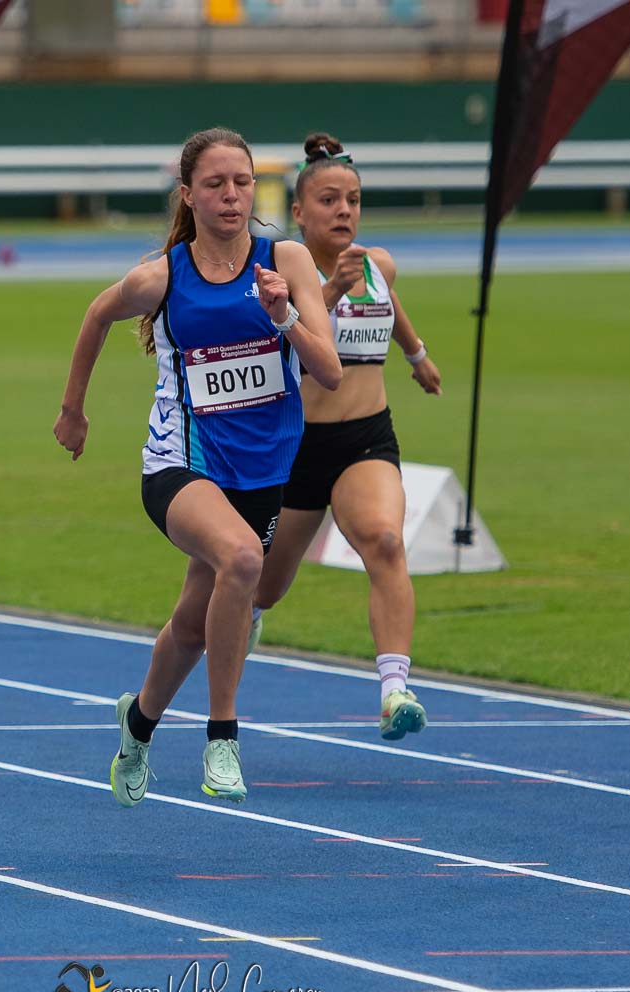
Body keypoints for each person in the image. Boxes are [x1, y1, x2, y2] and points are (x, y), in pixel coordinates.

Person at [53, 127, 341, 807]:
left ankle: (139, 723)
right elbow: (96, 316)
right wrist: (73, 411)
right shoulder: (163, 276)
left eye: (241, 182)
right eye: (215, 184)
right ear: (189, 194)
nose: (232, 195)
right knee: (243, 561)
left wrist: (284, 315)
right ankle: (223, 738)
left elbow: (327, 371)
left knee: (191, 623)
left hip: (263, 468)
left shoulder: (288, 260)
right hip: (179, 461)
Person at [249, 132, 443, 741]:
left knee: (385, 541)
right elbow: (281, 353)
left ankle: (395, 691)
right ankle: (240, 622)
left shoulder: (376, 263)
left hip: (366, 438)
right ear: (299, 211)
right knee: (265, 586)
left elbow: (392, 302)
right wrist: (328, 293)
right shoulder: (279, 273)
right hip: (296, 447)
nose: (343, 211)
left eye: (353, 200)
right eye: (329, 200)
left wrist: (417, 356)